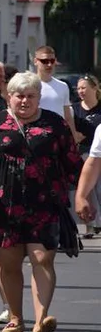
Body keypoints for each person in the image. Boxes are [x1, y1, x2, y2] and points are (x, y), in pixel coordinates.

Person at [0, 71, 81, 332]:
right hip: (4, 206)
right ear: (10, 96)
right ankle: (16, 317)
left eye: (30, 96)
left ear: (39, 97)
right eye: (19, 95)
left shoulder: (55, 124)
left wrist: (75, 195)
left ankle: (41, 319)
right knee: (9, 263)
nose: (24, 101)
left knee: (42, 258)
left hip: (44, 204)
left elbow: (72, 162)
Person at [73, 76, 101, 238]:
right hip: (84, 153)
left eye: (84, 87)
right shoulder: (74, 108)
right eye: (79, 88)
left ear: (94, 88)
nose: (81, 91)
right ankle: (90, 225)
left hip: (97, 152)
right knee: (87, 189)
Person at [33, 46, 77, 139]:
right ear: (36, 61)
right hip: (36, 135)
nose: (49, 64)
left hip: (59, 136)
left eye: (52, 61)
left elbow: (68, 116)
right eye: (44, 61)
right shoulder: (29, 85)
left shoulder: (63, 86)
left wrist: (73, 137)